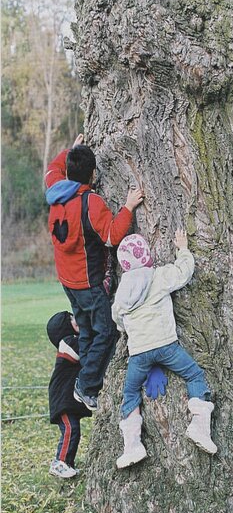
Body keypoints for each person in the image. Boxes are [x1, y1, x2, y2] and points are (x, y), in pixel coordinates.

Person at [45, 134, 144, 411]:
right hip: (88, 283)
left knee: (87, 330)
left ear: (67, 169)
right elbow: (112, 236)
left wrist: (72, 149)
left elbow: (52, 168)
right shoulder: (91, 203)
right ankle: (87, 386)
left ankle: (84, 380)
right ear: (92, 173)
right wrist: (128, 207)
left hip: (67, 281)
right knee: (107, 331)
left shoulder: (55, 190)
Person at [112, 230, 217, 469]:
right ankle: (200, 426)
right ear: (147, 255)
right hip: (166, 346)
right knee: (194, 374)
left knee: (130, 393)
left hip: (138, 353)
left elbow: (117, 316)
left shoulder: (123, 289)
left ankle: (132, 446)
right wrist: (183, 249)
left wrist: (125, 329)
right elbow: (183, 272)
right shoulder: (158, 276)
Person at [47, 311, 91, 478]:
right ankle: (60, 462)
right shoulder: (67, 343)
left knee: (74, 430)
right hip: (62, 398)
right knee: (70, 429)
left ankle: (68, 463)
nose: (76, 319)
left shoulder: (72, 340)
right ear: (64, 328)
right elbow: (82, 353)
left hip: (68, 398)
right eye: (72, 319)